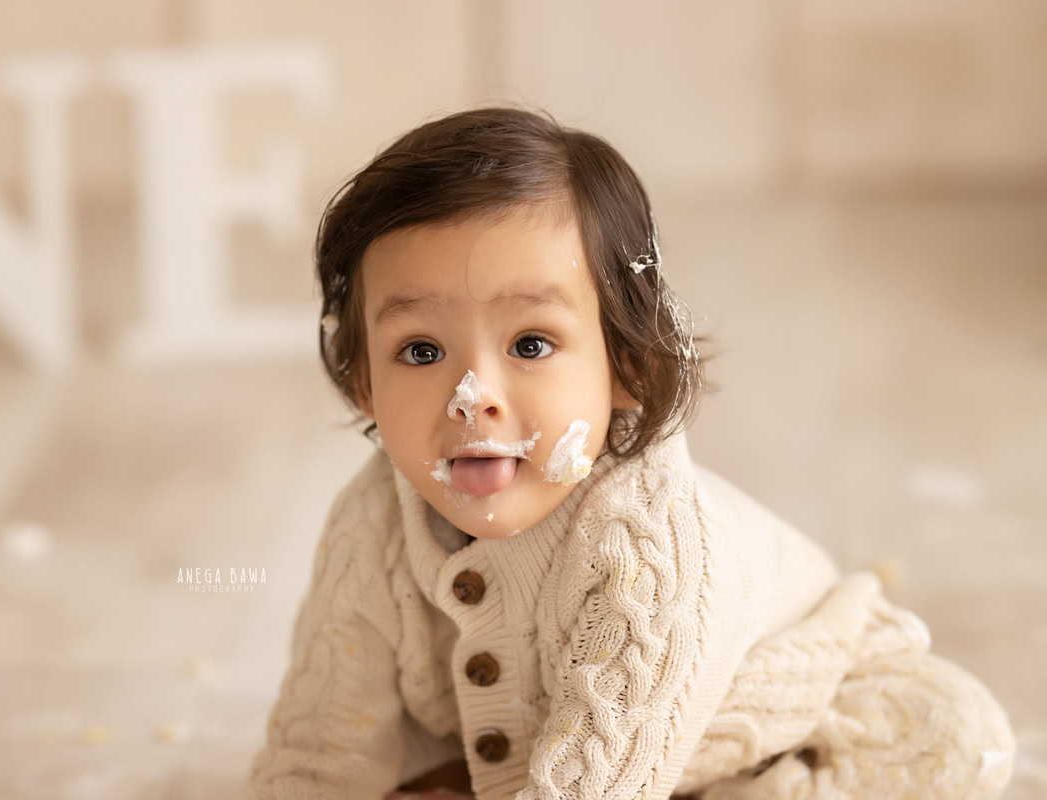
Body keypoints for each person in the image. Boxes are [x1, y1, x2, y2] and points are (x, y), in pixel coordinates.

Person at [246, 106, 1015, 800]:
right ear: (363, 384)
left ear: (628, 366)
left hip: (790, 699)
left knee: (951, 735)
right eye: (420, 351)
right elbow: (318, 748)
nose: (471, 397)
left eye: (531, 344)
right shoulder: (370, 525)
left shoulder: (643, 544)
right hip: (569, 738)